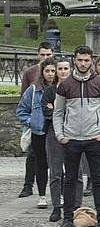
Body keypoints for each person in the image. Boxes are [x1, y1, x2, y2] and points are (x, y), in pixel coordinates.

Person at [52, 46, 100, 227]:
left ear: (92, 61)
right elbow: (58, 112)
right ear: (74, 60)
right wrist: (60, 135)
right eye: (80, 60)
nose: (83, 63)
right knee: (70, 179)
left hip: (94, 138)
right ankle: (67, 220)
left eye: (87, 60)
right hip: (71, 139)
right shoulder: (65, 85)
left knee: (98, 179)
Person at [16, 59, 55, 209]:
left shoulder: (62, 88)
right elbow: (21, 110)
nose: (50, 74)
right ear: (42, 73)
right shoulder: (33, 90)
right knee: (41, 164)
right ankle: (42, 195)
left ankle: (60, 193)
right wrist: (31, 121)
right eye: (47, 71)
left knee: (58, 165)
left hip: (57, 131)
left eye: (53, 71)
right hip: (39, 131)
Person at [45, 58, 75, 224]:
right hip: (54, 133)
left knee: (75, 172)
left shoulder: (75, 89)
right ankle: (57, 206)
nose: (63, 71)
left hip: (73, 133)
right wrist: (57, 112)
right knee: (55, 172)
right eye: (60, 69)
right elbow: (45, 111)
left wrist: (56, 109)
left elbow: (76, 111)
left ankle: (75, 206)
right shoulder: (50, 91)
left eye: (66, 68)